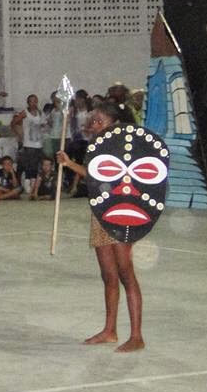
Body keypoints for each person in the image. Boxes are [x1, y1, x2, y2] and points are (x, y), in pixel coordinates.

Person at [56, 101, 145, 353]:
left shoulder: (128, 147)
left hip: (122, 213)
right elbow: (93, 175)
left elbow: (111, 178)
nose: (94, 126)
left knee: (126, 273)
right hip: (100, 213)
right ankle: (110, 330)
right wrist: (69, 163)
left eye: (99, 122)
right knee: (108, 275)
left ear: (114, 123)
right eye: (93, 121)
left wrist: (71, 165)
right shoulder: (97, 146)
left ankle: (136, 335)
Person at [11, 94, 46, 194]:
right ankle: (27, 185)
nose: (33, 103)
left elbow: (44, 124)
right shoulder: (25, 113)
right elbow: (14, 122)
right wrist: (19, 134)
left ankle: (34, 186)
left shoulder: (40, 113)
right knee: (29, 165)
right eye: (31, 101)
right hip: (28, 143)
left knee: (36, 165)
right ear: (28, 102)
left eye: (35, 101)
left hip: (39, 143)